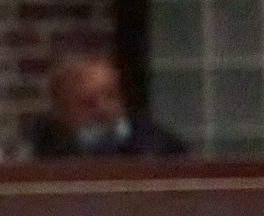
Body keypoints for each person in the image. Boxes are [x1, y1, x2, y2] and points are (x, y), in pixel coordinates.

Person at [25, 52, 187, 158]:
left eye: (111, 96)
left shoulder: (159, 147)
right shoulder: (42, 155)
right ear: (62, 112)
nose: (103, 110)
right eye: (88, 103)